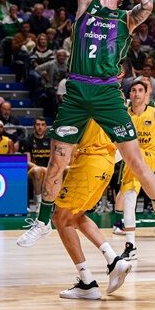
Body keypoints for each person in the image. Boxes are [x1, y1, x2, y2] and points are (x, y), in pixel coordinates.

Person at [16, 0, 155, 249]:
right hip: (77, 91)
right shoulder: (87, 6)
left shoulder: (126, 19)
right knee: (57, 160)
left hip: (108, 92)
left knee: (135, 161)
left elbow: (148, 5)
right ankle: (41, 222)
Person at [53, 120, 131, 300]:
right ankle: (114, 260)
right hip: (107, 162)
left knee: (60, 219)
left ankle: (87, 282)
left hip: (89, 159)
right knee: (76, 216)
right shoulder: (115, 105)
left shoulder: (87, 102)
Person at [113, 79, 155, 260]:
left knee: (135, 190)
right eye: (133, 90)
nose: (136, 93)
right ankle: (131, 245)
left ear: (146, 93)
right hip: (132, 158)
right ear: (129, 94)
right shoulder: (124, 115)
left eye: (140, 90)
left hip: (150, 156)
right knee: (128, 195)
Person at [20, 117, 51, 213]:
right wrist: (41, 169)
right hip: (32, 171)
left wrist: (47, 170)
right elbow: (27, 161)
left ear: (46, 127)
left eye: (42, 125)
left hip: (48, 170)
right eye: (38, 125)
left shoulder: (51, 141)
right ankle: (39, 203)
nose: (40, 127)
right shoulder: (27, 140)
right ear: (34, 126)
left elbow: (53, 159)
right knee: (37, 171)